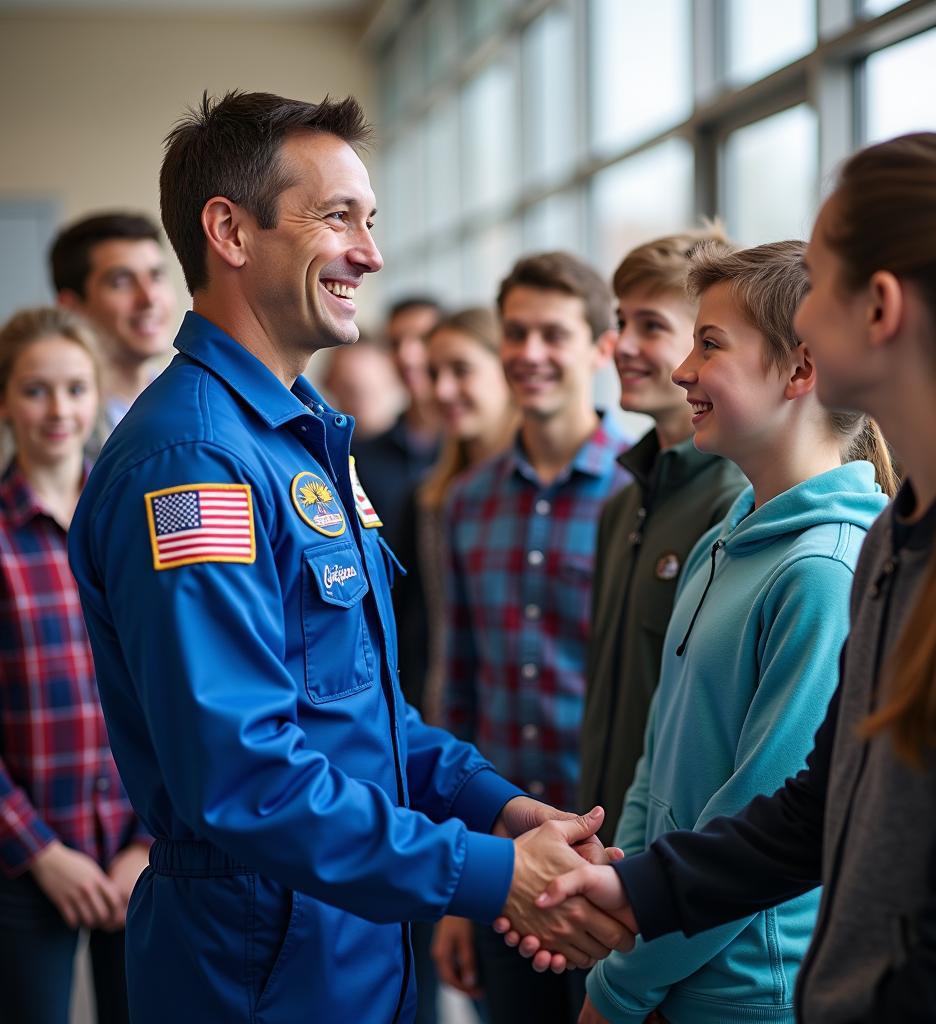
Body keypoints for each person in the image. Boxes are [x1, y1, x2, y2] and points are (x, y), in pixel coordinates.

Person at [66, 90, 634, 1024]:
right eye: (338, 218)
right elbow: (243, 775)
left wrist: (494, 808)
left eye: (370, 222)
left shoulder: (291, 441)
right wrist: (489, 874)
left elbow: (360, 715)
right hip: (258, 962)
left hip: (349, 942)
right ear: (231, 232)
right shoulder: (198, 462)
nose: (370, 253)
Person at [532, 133, 936, 1023]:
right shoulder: (903, 542)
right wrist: (628, 896)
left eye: (820, 278)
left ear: (875, 308)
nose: (801, 315)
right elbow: (811, 811)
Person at [577, 240, 893, 1024]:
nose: (683, 370)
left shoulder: (825, 571)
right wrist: (629, 925)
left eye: (709, 344)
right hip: (668, 961)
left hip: (749, 990)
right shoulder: (728, 531)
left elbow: (762, 826)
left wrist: (621, 984)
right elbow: (659, 756)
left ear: (799, 370)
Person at [439, 251, 631, 1023]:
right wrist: (456, 889)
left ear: (600, 348)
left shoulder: (641, 491)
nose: (529, 354)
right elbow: (456, 688)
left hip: (616, 862)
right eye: (515, 334)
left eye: (553, 333)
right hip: (500, 863)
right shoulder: (465, 500)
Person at [0, 306, 150, 1024]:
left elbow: (178, 688)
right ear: (5, 400)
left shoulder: (138, 517)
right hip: (24, 861)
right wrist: (40, 852)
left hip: (142, 852)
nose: (58, 409)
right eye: (35, 390)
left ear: (97, 394)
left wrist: (148, 841)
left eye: (74, 388)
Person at [578, 230, 748, 849]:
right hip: (608, 836)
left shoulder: (737, 506)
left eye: (650, 325)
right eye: (622, 322)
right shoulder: (622, 504)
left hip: (677, 861)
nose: (622, 346)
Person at [385, 307, 519, 1022]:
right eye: (432, 373)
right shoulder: (434, 498)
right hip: (440, 751)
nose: (440, 388)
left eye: (460, 368)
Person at [49, 211, 176, 436]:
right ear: (71, 307)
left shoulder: (189, 399)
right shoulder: (58, 426)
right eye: (121, 282)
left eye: (156, 276)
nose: (149, 298)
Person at [350, 296, 444, 540]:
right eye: (395, 343)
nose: (407, 356)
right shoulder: (360, 459)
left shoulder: (477, 451)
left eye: (422, 339)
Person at [321, 333, 406, 441]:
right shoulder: (324, 442)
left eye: (369, 391)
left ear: (392, 377)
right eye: (348, 390)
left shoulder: (417, 440)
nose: (358, 399)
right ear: (329, 383)